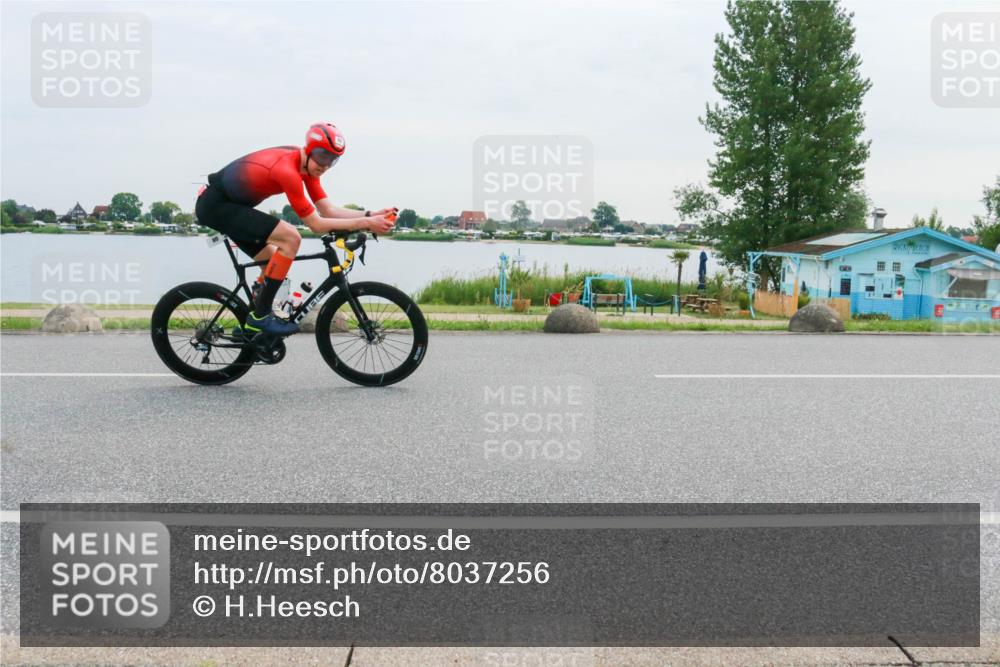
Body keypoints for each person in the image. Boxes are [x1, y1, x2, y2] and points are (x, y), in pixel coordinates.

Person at [195, 122, 396, 336]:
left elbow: (327, 210)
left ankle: (249, 329)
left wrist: (370, 215)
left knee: (273, 262)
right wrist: (366, 224)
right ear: (309, 150)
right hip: (215, 206)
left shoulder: (308, 168)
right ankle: (260, 318)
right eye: (322, 156)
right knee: (291, 237)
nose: (325, 164)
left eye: (332, 160)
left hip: (231, 206)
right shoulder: (287, 171)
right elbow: (316, 224)